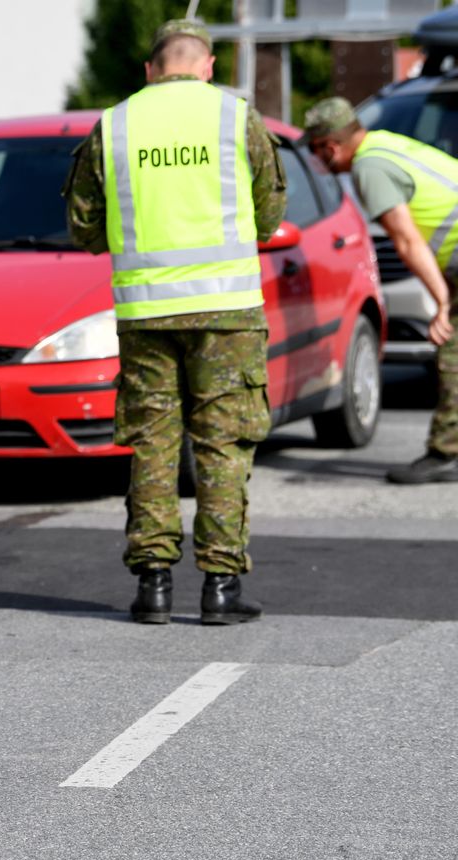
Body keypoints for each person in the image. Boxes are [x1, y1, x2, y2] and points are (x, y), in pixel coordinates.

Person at [63, 19, 287, 625]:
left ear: (150, 69)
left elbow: (83, 226)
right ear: (208, 66)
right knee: (223, 445)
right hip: (227, 313)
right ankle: (220, 588)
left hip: (145, 315)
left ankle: (153, 587)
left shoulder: (113, 125)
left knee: (153, 447)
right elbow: (269, 214)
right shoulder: (236, 118)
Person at [302, 97, 458, 484]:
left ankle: (446, 453)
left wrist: (441, 303)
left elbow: (405, 241)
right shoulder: (385, 142)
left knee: (452, 355)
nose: (321, 165)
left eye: (317, 155)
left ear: (331, 147)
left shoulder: (369, 167)